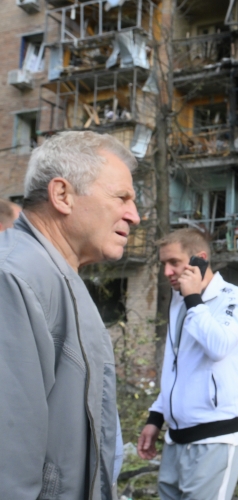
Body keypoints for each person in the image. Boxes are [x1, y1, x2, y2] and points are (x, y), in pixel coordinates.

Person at [0, 131, 141, 499]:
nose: (135, 215)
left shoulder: (56, 274)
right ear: (62, 195)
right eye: (122, 197)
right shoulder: (14, 278)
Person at [137, 228, 238, 500]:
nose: (167, 272)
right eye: (163, 263)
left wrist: (193, 299)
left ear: (200, 259)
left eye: (174, 263)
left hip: (215, 438)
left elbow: (218, 347)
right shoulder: (179, 303)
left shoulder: (234, 298)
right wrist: (156, 417)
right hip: (176, 439)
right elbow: (177, 367)